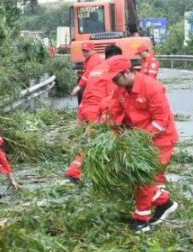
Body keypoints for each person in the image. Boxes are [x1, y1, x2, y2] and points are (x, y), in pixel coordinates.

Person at [104, 58, 179, 232]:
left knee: (143, 177)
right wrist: (111, 134)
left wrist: (139, 138)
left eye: (116, 78)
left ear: (128, 72)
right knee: (136, 176)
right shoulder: (120, 90)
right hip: (139, 139)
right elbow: (115, 113)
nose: (114, 82)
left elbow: (161, 121)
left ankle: (141, 219)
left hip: (161, 140)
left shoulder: (152, 88)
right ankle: (164, 203)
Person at [65, 49, 125, 182]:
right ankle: (75, 171)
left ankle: (109, 170)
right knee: (94, 141)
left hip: (86, 108)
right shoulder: (110, 73)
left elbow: (85, 91)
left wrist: (80, 114)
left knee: (94, 139)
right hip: (97, 110)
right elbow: (111, 98)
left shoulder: (96, 69)